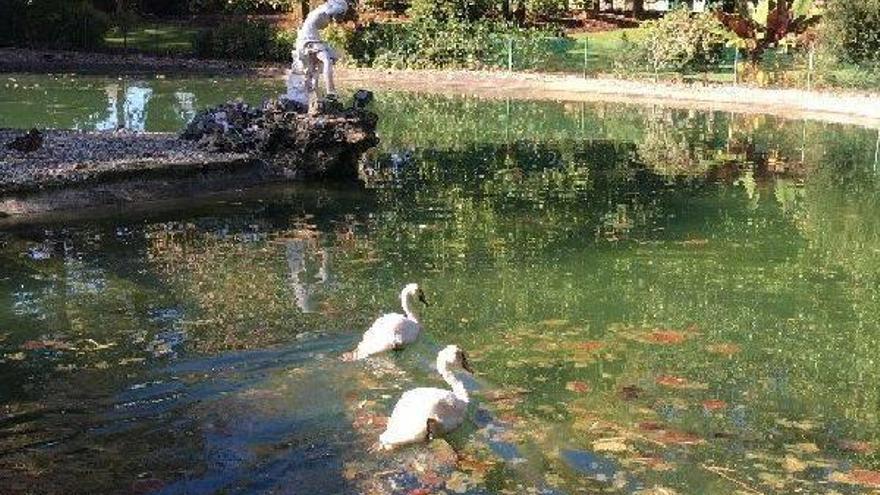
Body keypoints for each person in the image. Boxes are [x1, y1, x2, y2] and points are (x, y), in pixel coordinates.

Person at [286, 0, 351, 111]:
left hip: (310, 37)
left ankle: (313, 99)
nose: (340, 17)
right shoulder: (326, 10)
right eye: (341, 14)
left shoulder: (322, 11)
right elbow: (331, 11)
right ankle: (331, 91)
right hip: (308, 39)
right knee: (326, 60)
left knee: (313, 70)